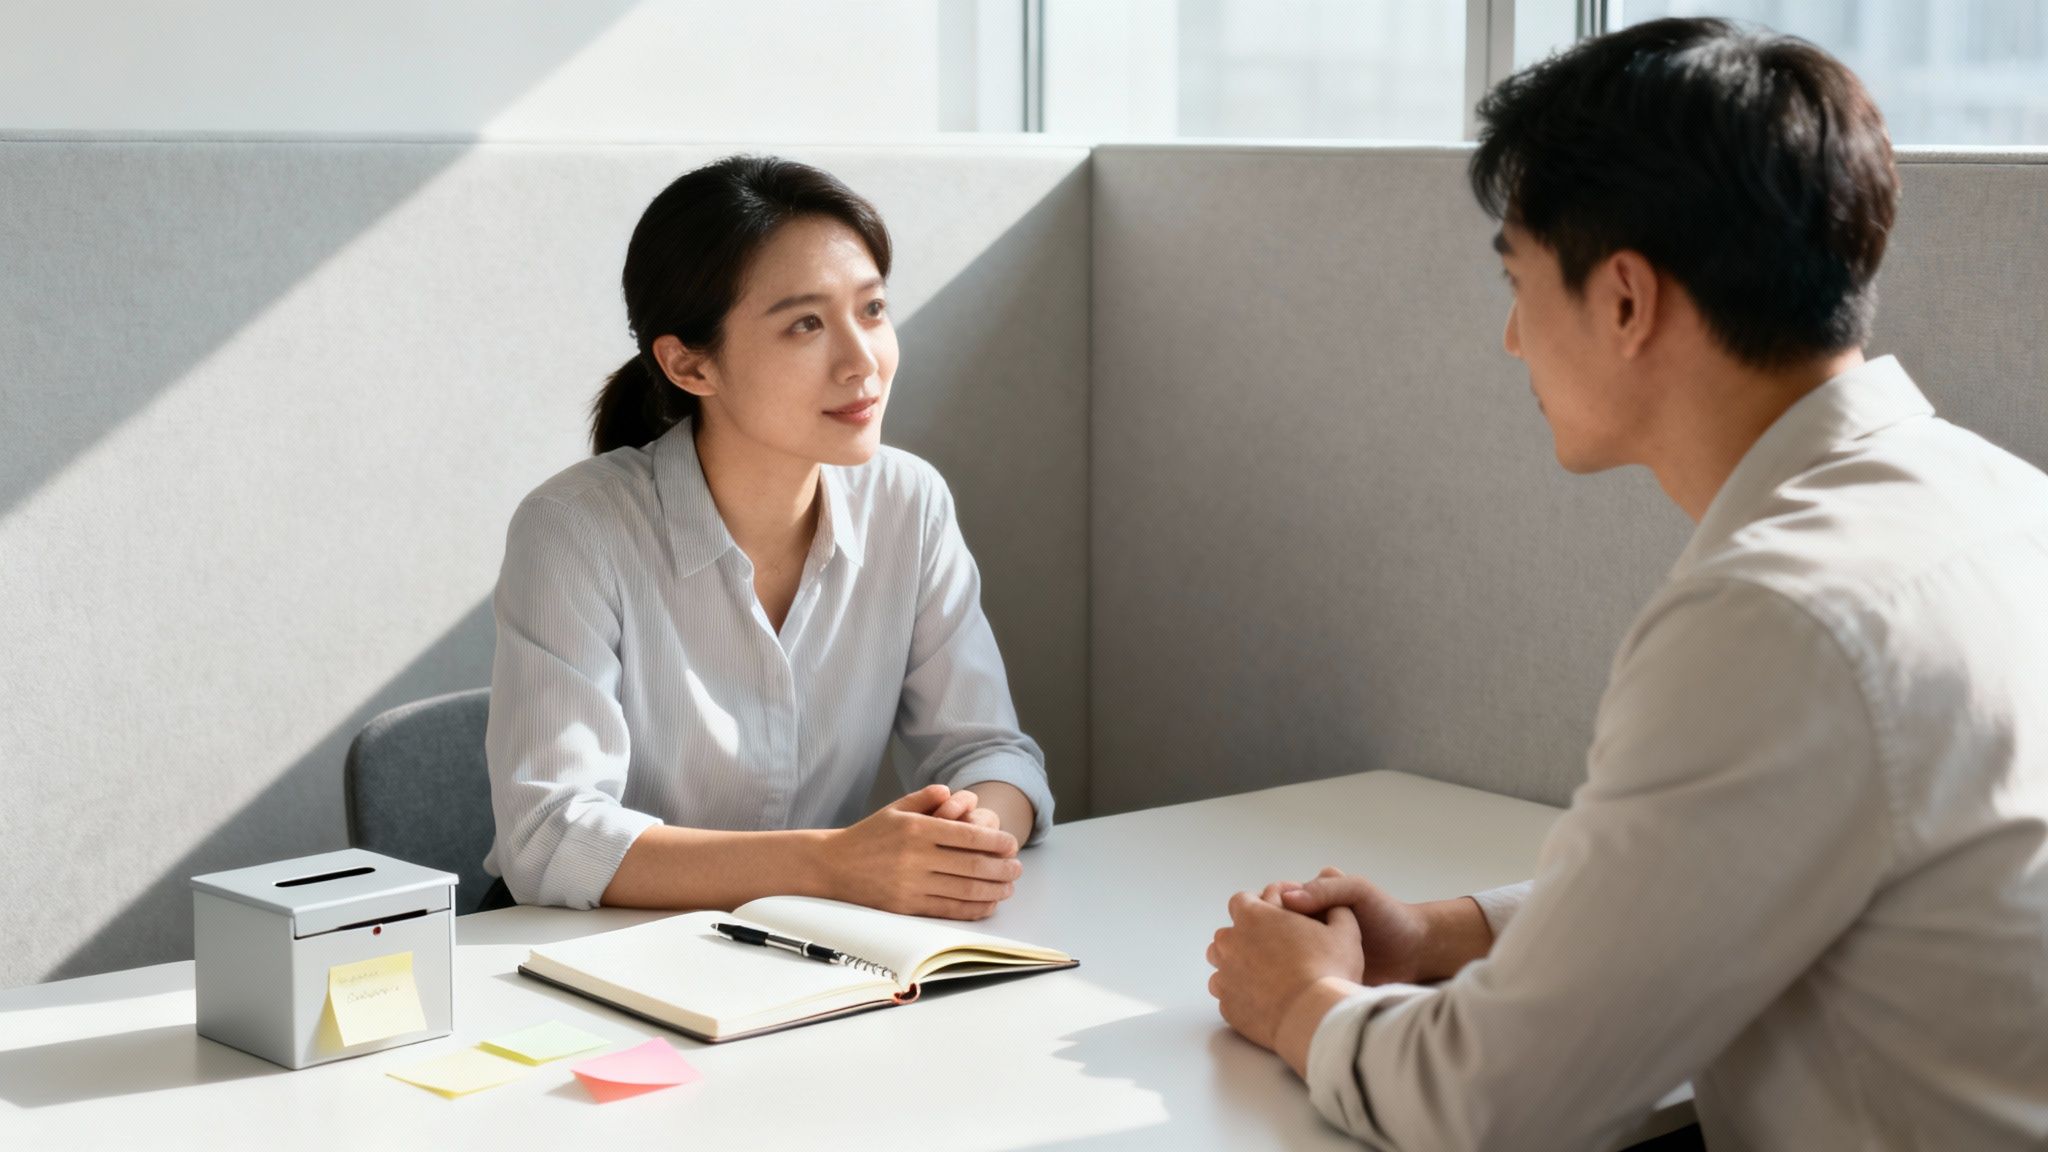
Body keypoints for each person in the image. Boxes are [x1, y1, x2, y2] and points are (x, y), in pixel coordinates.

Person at [1204, 18, 2048, 1150]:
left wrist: (1301, 1002)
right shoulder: (2000, 499)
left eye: (1518, 283)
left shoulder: (1776, 612)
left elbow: (1492, 1103)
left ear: (1622, 300)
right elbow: (1730, 883)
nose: (1510, 339)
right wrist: (1439, 934)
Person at [482, 155, 1052, 919]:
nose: (863, 363)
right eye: (806, 324)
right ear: (690, 364)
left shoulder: (907, 502)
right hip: (598, 955)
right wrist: (835, 864)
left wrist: (967, 841)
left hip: (798, 946)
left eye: (873, 310)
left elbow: (989, 751)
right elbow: (550, 837)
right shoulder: (575, 530)